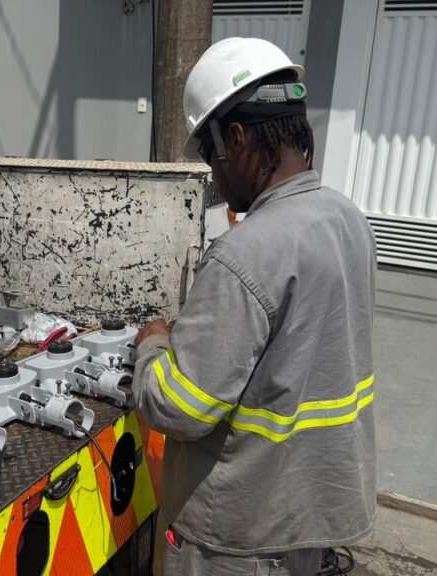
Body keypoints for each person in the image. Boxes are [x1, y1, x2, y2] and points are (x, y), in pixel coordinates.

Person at [132, 37, 377, 576]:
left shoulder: (244, 254)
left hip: (237, 540)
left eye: (208, 156)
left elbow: (181, 408)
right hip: (305, 519)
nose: (214, 177)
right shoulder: (346, 219)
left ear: (237, 140)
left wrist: (152, 344)